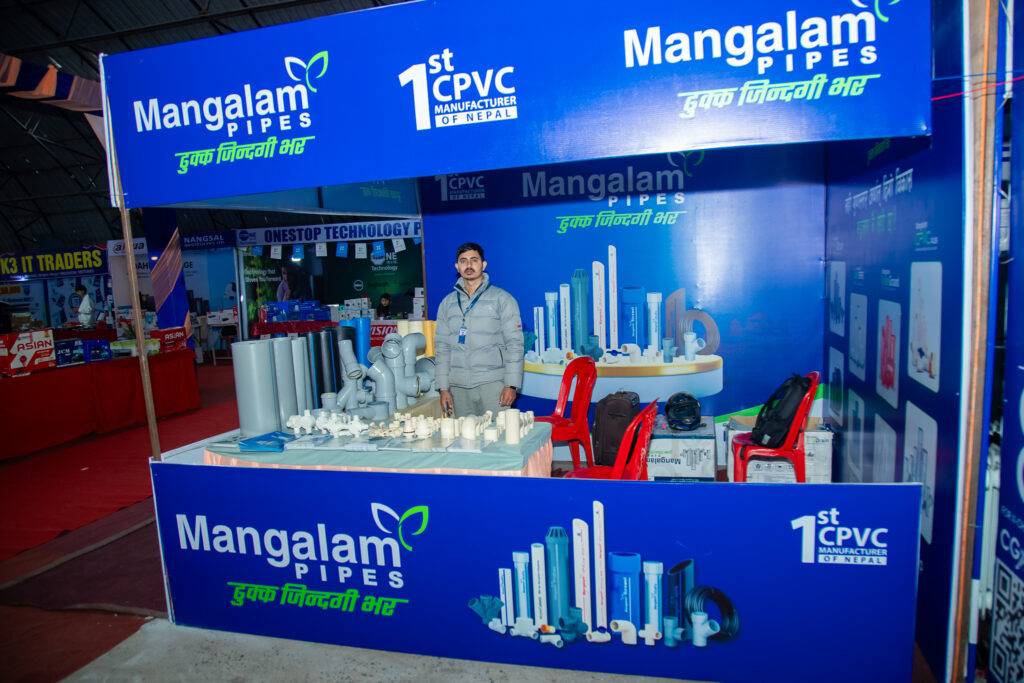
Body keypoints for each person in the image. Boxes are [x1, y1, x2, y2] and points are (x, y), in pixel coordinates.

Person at [435, 242, 524, 417]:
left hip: (493, 385)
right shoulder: (447, 303)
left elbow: (515, 344)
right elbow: (442, 348)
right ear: (457, 266)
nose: (469, 265)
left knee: (499, 433)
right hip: (458, 388)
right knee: (463, 434)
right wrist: (443, 388)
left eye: (474, 260)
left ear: (483, 264)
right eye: (463, 261)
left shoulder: (502, 299)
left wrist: (511, 385)